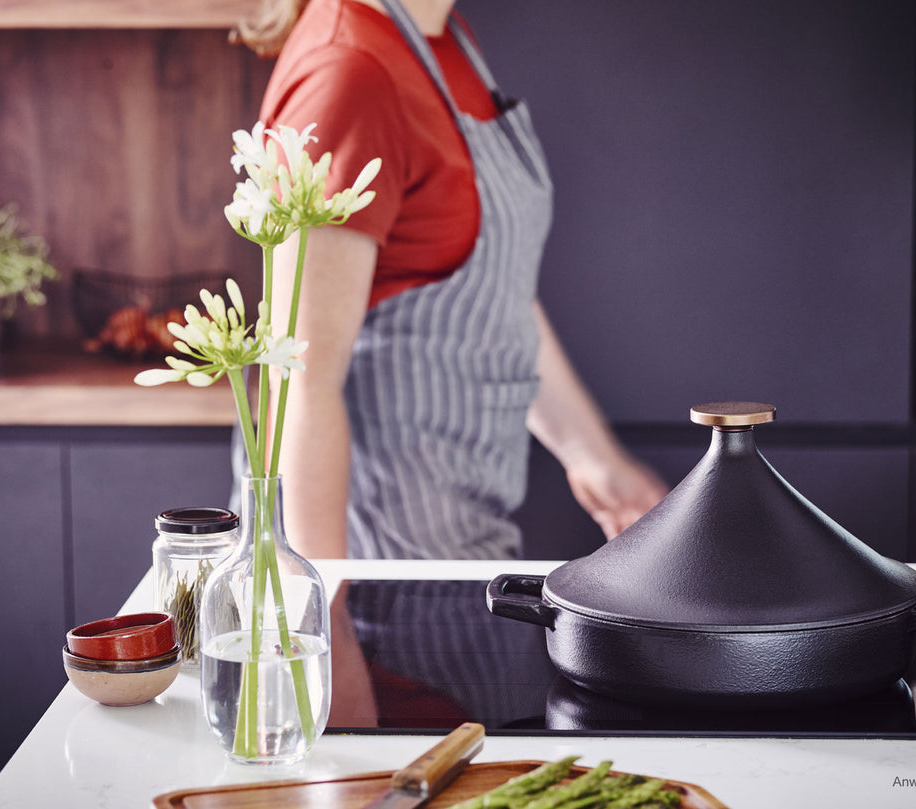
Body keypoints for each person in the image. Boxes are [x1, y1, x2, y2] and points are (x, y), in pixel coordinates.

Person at [237, 0, 668, 559]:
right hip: (385, 577)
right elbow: (297, 381)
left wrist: (601, 466)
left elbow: (491, 290)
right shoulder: (348, 74)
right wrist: (324, 618)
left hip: (461, 542)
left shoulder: (443, 39)